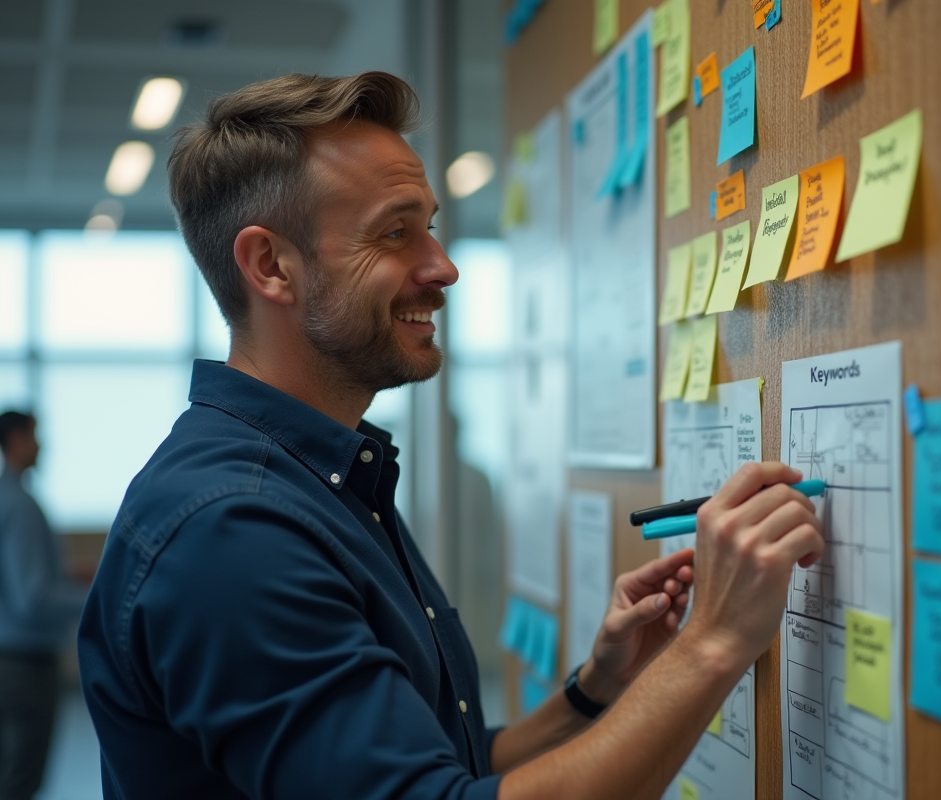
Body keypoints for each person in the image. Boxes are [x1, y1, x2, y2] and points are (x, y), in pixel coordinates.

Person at [77, 72, 825, 800]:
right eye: (395, 233)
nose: (443, 266)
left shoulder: (322, 478)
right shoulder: (232, 531)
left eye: (428, 226)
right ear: (271, 265)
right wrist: (716, 641)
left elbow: (436, 764)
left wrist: (599, 689)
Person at [0, 410, 88, 800]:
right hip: (25, 664)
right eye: (36, 435)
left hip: (11, 658)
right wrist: (94, 598)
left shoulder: (7, 500)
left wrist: (66, 579)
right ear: (17, 439)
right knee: (20, 780)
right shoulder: (21, 506)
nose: (42, 444)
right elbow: (32, 599)